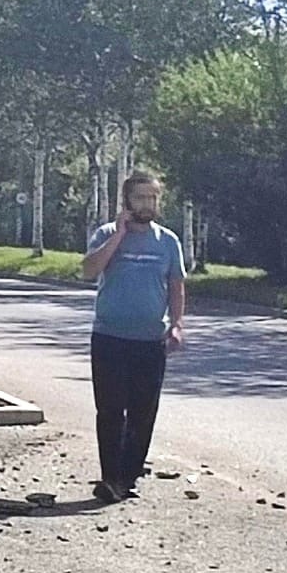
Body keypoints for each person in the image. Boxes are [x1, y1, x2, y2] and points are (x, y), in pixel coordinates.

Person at [82, 171, 186, 503]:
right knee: (110, 410)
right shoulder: (106, 234)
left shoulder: (167, 241)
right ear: (127, 201)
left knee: (142, 413)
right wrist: (118, 235)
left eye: (152, 197)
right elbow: (89, 270)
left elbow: (176, 286)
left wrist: (177, 325)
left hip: (149, 341)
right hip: (109, 338)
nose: (147, 204)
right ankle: (111, 477)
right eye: (140, 197)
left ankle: (125, 479)